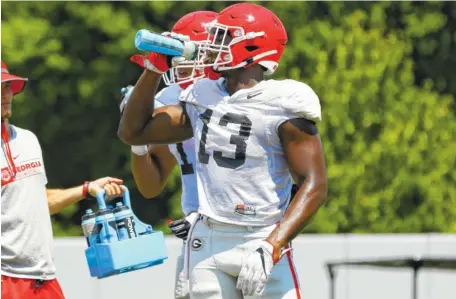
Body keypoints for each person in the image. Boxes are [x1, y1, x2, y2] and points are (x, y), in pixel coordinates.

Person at [118, 3, 328, 299]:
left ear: (252, 46)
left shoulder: (284, 101)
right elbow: (132, 132)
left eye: (222, 37)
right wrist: (153, 69)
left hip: (262, 236)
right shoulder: (201, 95)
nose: (213, 46)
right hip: (209, 239)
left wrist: (273, 244)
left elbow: (313, 185)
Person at [1, 61, 124, 299]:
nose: (7, 94)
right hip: (6, 280)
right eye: (0, 87)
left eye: (8, 87)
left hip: (45, 279)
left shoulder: (28, 140)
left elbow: (40, 200)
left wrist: (87, 189)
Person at [122, 11, 219, 299]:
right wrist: (138, 140)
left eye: (189, 58)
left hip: (243, 228)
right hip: (197, 236)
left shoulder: (236, 98)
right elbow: (151, 186)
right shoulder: (168, 99)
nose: (182, 68)